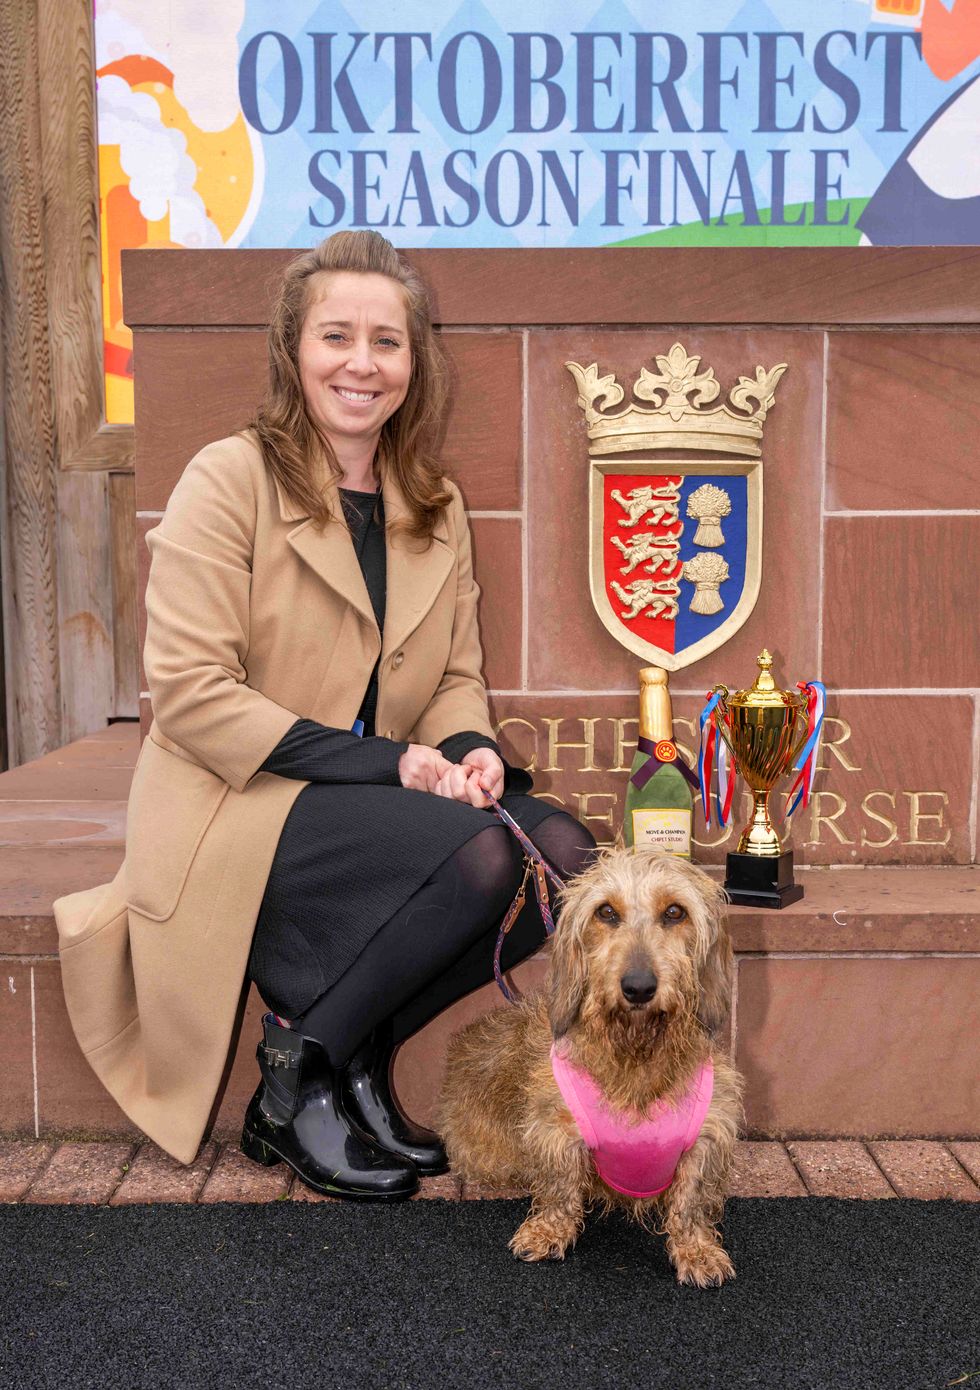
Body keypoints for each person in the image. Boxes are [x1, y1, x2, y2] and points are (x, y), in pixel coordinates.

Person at [53, 230, 597, 1200]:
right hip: (234, 799)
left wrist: (467, 751)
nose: (361, 362)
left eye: (386, 341)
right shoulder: (231, 479)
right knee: (474, 857)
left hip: (367, 800)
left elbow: (451, 682)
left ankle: (335, 1051)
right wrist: (394, 766)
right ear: (291, 351)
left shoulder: (430, 503)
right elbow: (188, 692)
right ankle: (301, 1077)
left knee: (559, 859)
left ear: (412, 363)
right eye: (335, 335)